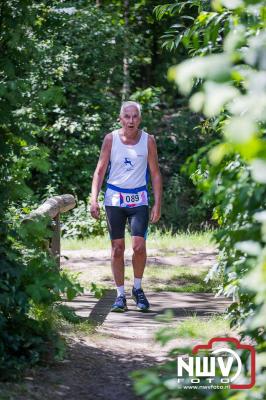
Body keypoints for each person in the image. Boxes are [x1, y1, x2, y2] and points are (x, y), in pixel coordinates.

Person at [90, 101, 162, 312]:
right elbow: (100, 170)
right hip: (114, 200)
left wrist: (158, 203)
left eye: (135, 116)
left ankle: (137, 288)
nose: (131, 121)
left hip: (139, 199)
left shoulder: (148, 140)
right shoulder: (111, 139)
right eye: (127, 116)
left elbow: (156, 174)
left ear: (140, 119)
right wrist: (93, 199)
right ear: (120, 118)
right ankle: (120, 295)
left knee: (139, 246)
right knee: (117, 249)